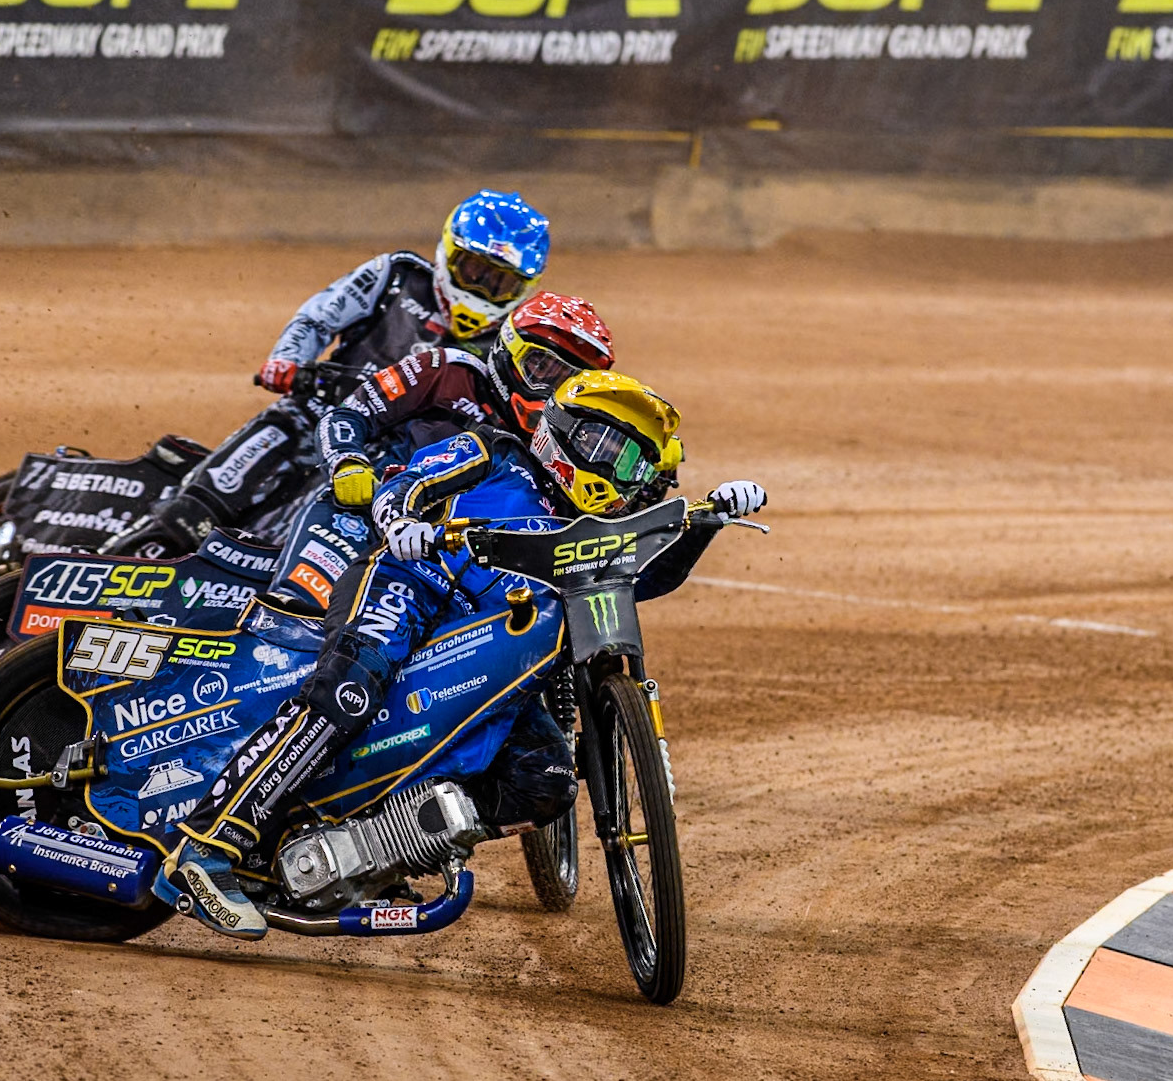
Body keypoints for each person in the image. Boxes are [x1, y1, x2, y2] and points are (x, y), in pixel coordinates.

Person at [154, 370, 768, 939]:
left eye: (636, 462)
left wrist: (709, 519)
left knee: (546, 783)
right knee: (350, 688)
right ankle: (209, 844)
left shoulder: (595, 526)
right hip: (411, 583)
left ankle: (374, 849)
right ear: (567, 433)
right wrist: (401, 522)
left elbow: (648, 575)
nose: (621, 470)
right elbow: (407, 484)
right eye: (611, 448)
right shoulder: (494, 451)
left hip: (490, 648)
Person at [102, 190, 551, 558]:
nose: (483, 290)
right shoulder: (395, 274)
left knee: (288, 547)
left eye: (500, 283)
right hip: (309, 414)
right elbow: (318, 318)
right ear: (448, 253)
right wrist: (288, 360)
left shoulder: (510, 344)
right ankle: (119, 557)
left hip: (379, 459)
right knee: (199, 503)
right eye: (474, 271)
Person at [260, 290, 623, 613]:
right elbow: (346, 415)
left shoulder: (566, 430)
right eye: (539, 366)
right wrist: (347, 462)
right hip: (373, 516)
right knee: (298, 612)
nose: (545, 388)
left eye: (565, 380)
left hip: (470, 557)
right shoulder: (444, 368)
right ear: (508, 348)